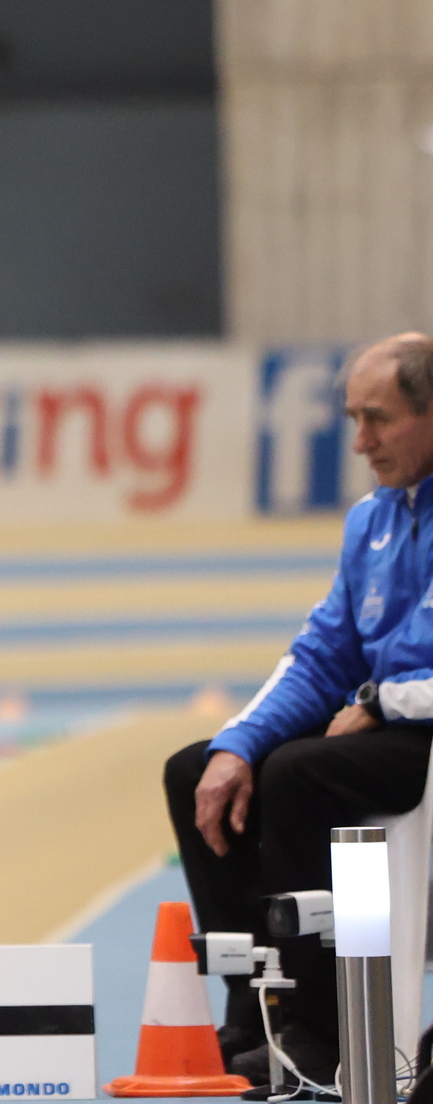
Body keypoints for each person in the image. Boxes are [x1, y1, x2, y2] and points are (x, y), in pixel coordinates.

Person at [166, 332, 433, 1087]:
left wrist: (382, 699)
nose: (360, 442)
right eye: (353, 418)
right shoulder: (372, 520)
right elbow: (320, 655)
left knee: (298, 773)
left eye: (378, 419)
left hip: (422, 730)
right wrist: (237, 744)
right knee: (198, 770)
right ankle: (257, 1010)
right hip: (384, 724)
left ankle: (325, 1032)